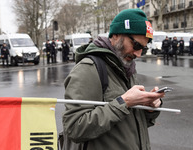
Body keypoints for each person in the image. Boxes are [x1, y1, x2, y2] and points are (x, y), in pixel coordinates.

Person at [62, 9, 164, 150]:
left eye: (144, 49)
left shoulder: (127, 68)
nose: (139, 54)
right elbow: (74, 128)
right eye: (136, 45)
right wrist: (124, 102)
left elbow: (130, 124)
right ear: (116, 35)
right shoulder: (89, 68)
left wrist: (149, 108)